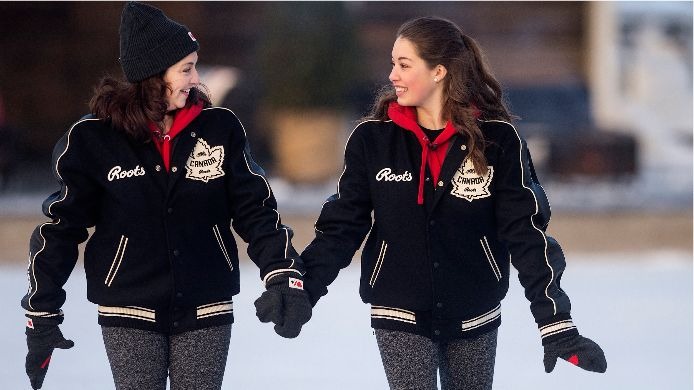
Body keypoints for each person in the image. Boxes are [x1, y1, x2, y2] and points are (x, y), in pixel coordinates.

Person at [301, 16, 606, 390]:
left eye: (404, 64)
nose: (392, 75)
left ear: (439, 71)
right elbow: (341, 227)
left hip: (475, 306)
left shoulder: (498, 141)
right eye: (392, 63)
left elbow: (526, 233)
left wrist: (556, 324)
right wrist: (304, 290)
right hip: (398, 304)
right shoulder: (373, 140)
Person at [21, 2, 311, 389]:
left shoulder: (219, 128)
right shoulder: (93, 140)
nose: (195, 79)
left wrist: (281, 273)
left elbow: (255, 210)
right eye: (186, 69)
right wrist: (41, 312)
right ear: (153, 74)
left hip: (206, 300)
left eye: (195, 66)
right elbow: (60, 228)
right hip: (128, 304)